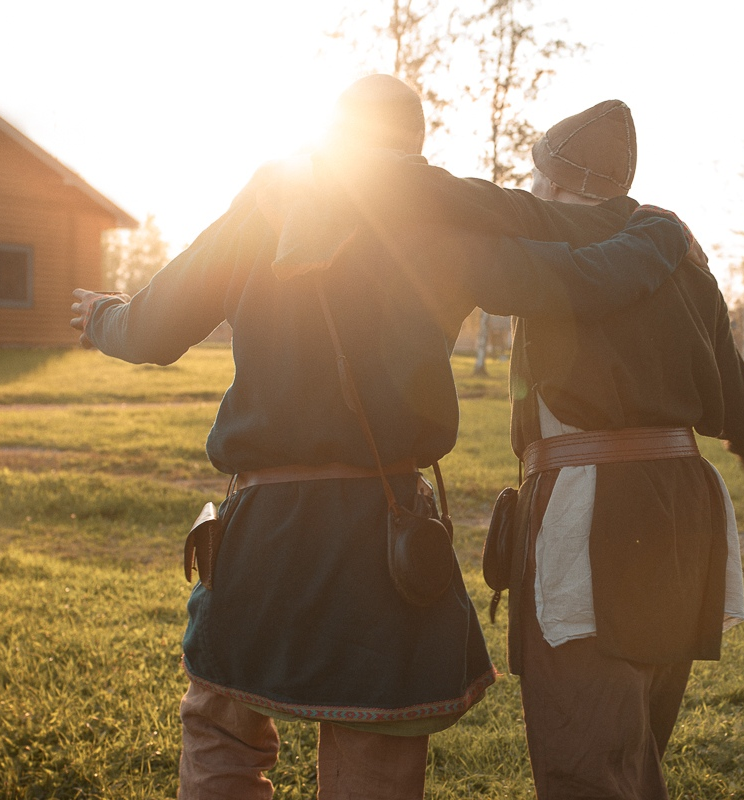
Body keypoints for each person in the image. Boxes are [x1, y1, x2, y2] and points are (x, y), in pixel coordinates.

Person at [70, 76, 698, 800]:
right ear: (415, 148)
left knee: (221, 735)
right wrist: (657, 231)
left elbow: (149, 329)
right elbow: (586, 274)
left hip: (260, 537)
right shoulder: (447, 224)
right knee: (375, 757)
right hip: (383, 540)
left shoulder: (263, 208)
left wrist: (102, 314)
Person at [500, 100, 744, 799]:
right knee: (634, 747)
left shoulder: (554, 258)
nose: (529, 186)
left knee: (592, 761)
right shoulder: (684, 259)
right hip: (682, 514)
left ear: (553, 182)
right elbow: (735, 396)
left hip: (594, 514)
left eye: (536, 175)